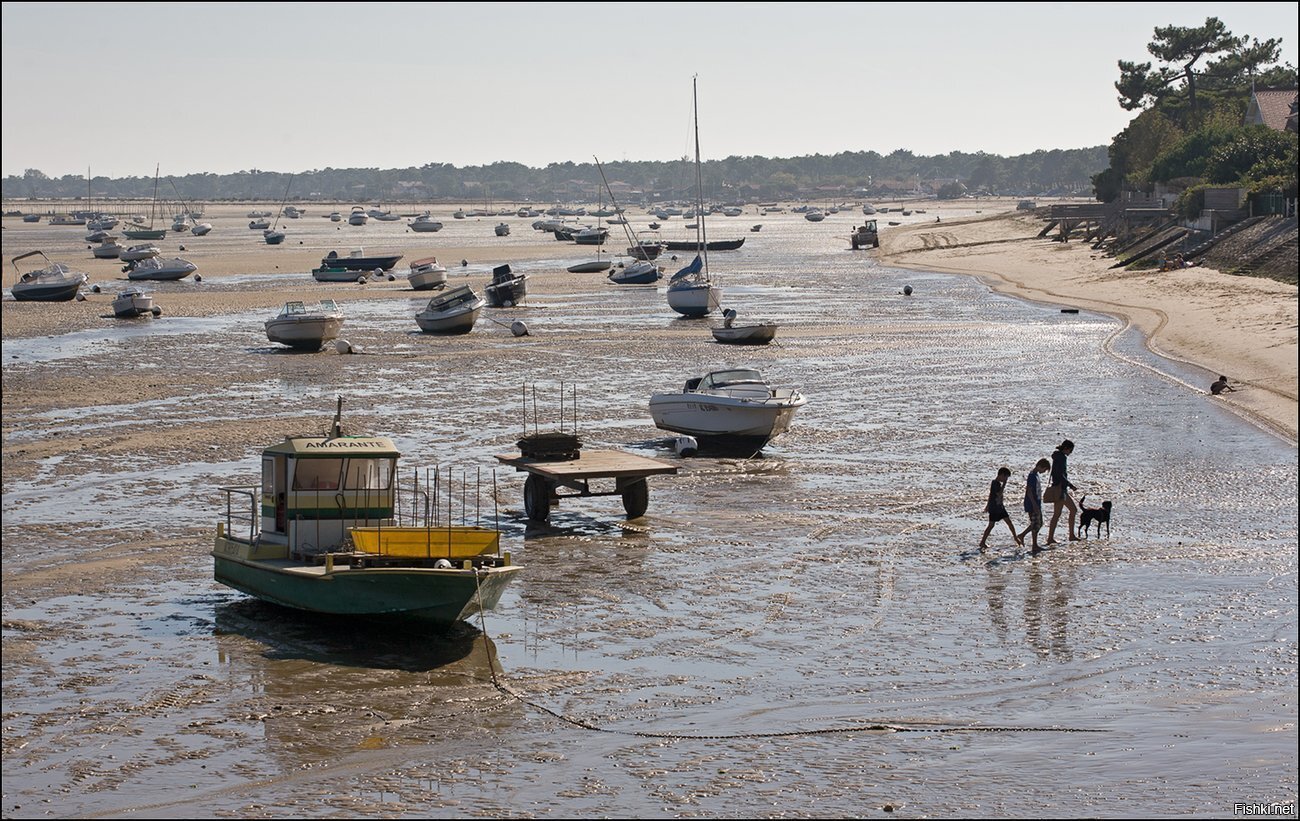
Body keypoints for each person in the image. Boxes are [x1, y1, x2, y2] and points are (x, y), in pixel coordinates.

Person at [979, 467, 1022, 550]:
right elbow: (998, 494)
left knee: (1009, 522)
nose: (1006, 479)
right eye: (1005, 477)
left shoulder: (997, 483)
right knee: (991, 525)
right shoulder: (995, 483)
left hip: (1000, 507)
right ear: (1002, 475)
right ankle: (982, 542)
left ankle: (1016, 538)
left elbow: (991, 495)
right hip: (995, 508)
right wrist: (1004, 484)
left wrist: (987, 505)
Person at [1045, 440, 1078, 544]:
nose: (1071, 453)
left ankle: (1051, 538)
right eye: (1071, 450)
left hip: (1057, 486)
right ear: (1066, 448)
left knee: (1057, 514)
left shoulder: (1056, 456)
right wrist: (1070, 485)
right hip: (1060, 488)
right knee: (1073, 510)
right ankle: (1071, 535)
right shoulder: (1062, 457)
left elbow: (1057, 473)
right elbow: (1061, 474)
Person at [1018, 458, 1052, 553]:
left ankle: (1034, 544)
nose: (1044, 472)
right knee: (1035, 524)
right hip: (1032, 504)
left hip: (1036, 503)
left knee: (1038, 524)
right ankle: (1025, 537)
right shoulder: (1032, 476)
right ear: (1041, 467)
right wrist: (1034, 505)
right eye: (1044, 470)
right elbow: (1029, 491)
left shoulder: (1035, 475)